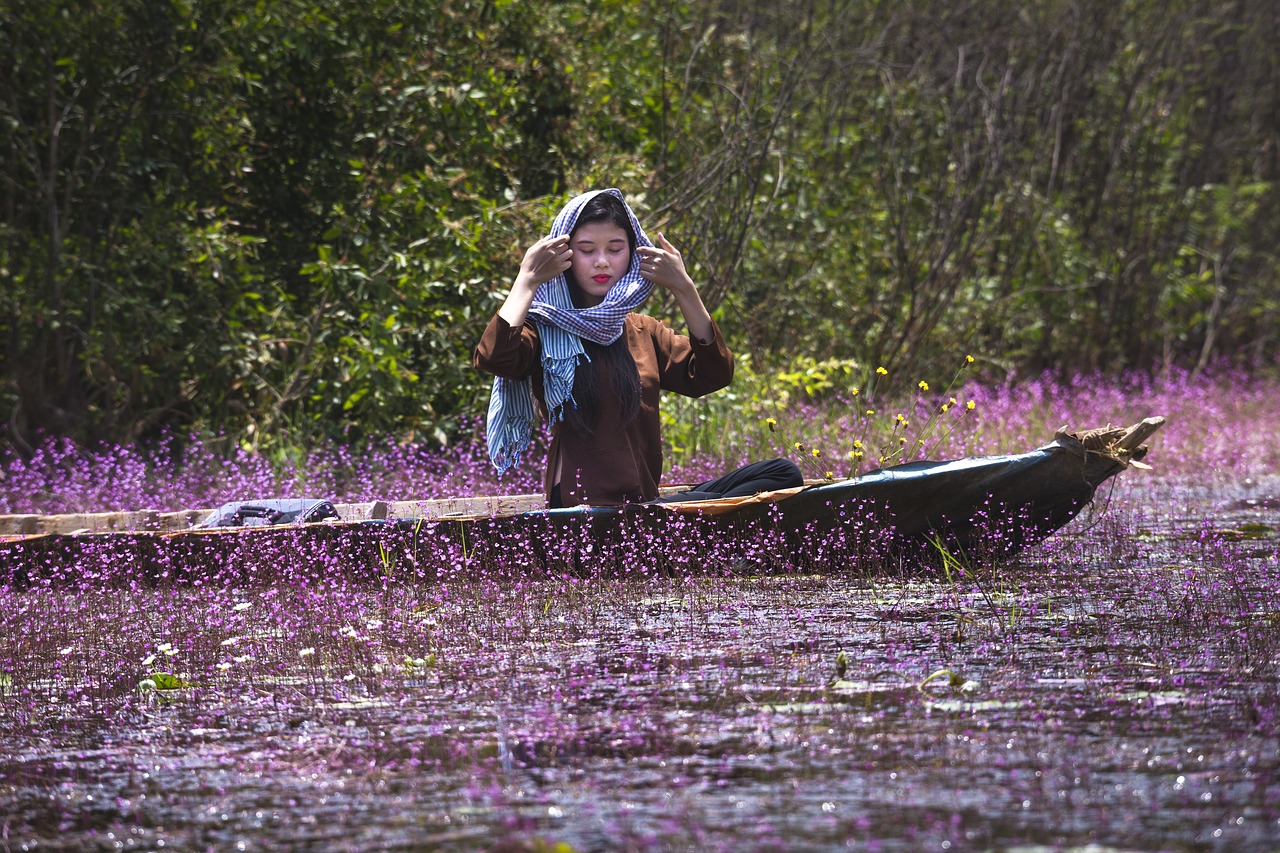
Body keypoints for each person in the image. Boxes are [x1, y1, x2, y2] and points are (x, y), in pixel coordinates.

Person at [474, 188, 801, 508]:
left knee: (781, 473)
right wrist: (527, 280)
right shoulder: (544, 329)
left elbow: (712, 375)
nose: (602, 262)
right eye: (587, 250)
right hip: (584, 511)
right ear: (565, 256)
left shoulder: (643, 330)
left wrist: (684, 288)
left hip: (645, 506)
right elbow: (495, 357)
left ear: (633, 252)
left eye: (615, 248)